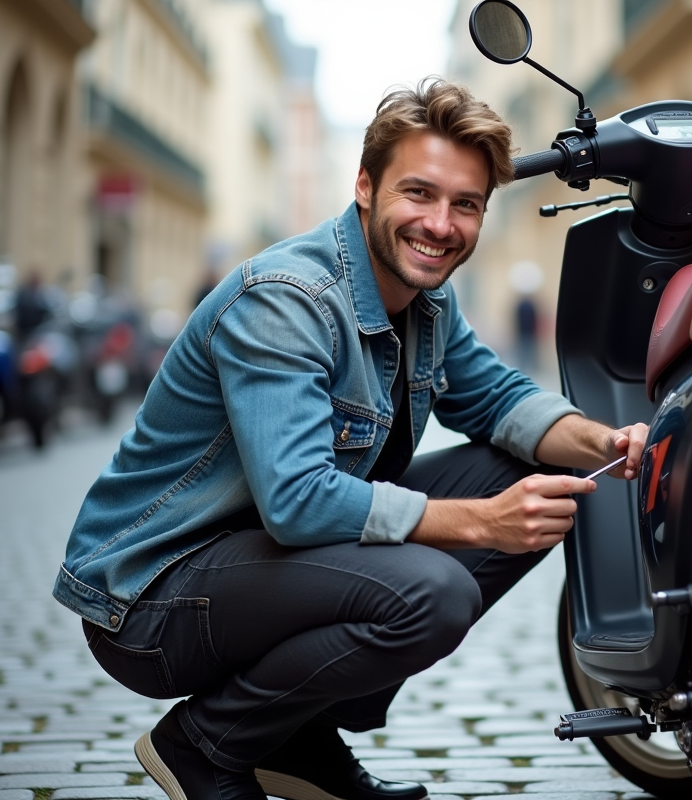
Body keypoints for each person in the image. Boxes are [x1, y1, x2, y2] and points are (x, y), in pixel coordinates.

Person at [53, 79, 648, 800]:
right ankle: (202, 747)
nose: (441, 224)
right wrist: (482, 526)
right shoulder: (286, 299)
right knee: (432, 592)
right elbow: (299, 503)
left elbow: (499, 400)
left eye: (466, 204)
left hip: (264, 570)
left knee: (531, 474)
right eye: (419, 194)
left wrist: (607, 441)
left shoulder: (427, 300)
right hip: (152, 599)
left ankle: (299, 737)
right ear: (365, 186)